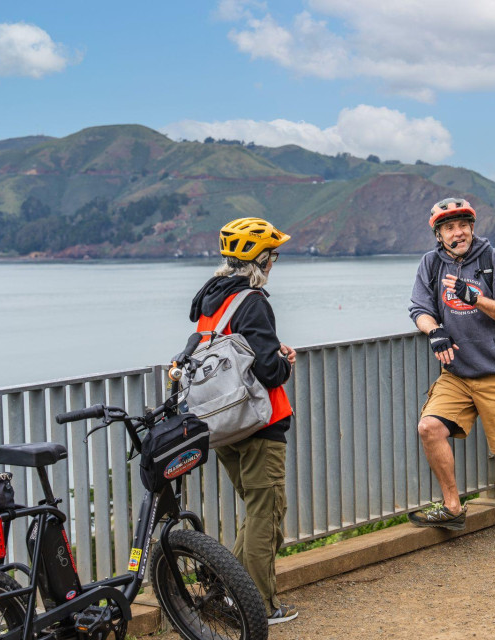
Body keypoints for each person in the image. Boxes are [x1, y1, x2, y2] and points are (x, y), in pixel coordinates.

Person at [407, 197, 495, 556]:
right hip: (458, 372)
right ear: (438, 234)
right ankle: (452, 507)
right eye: (450, 227)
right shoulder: (430, 264)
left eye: (463, 225)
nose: (458, 232)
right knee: (429, 427)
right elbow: (420, 308)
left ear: (472, 227)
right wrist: (434, 331)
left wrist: (476, 298)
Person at [189, 217, 299, 626]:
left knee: (260, 511)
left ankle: (222, 587)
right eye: (273, 256)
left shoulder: (211, 300)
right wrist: (285, 362)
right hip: (259, 425)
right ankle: (260, 608)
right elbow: (269, 372)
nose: (275, 262)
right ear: (263, 260)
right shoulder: (253, 300)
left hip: (222, 425)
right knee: (266, 515)